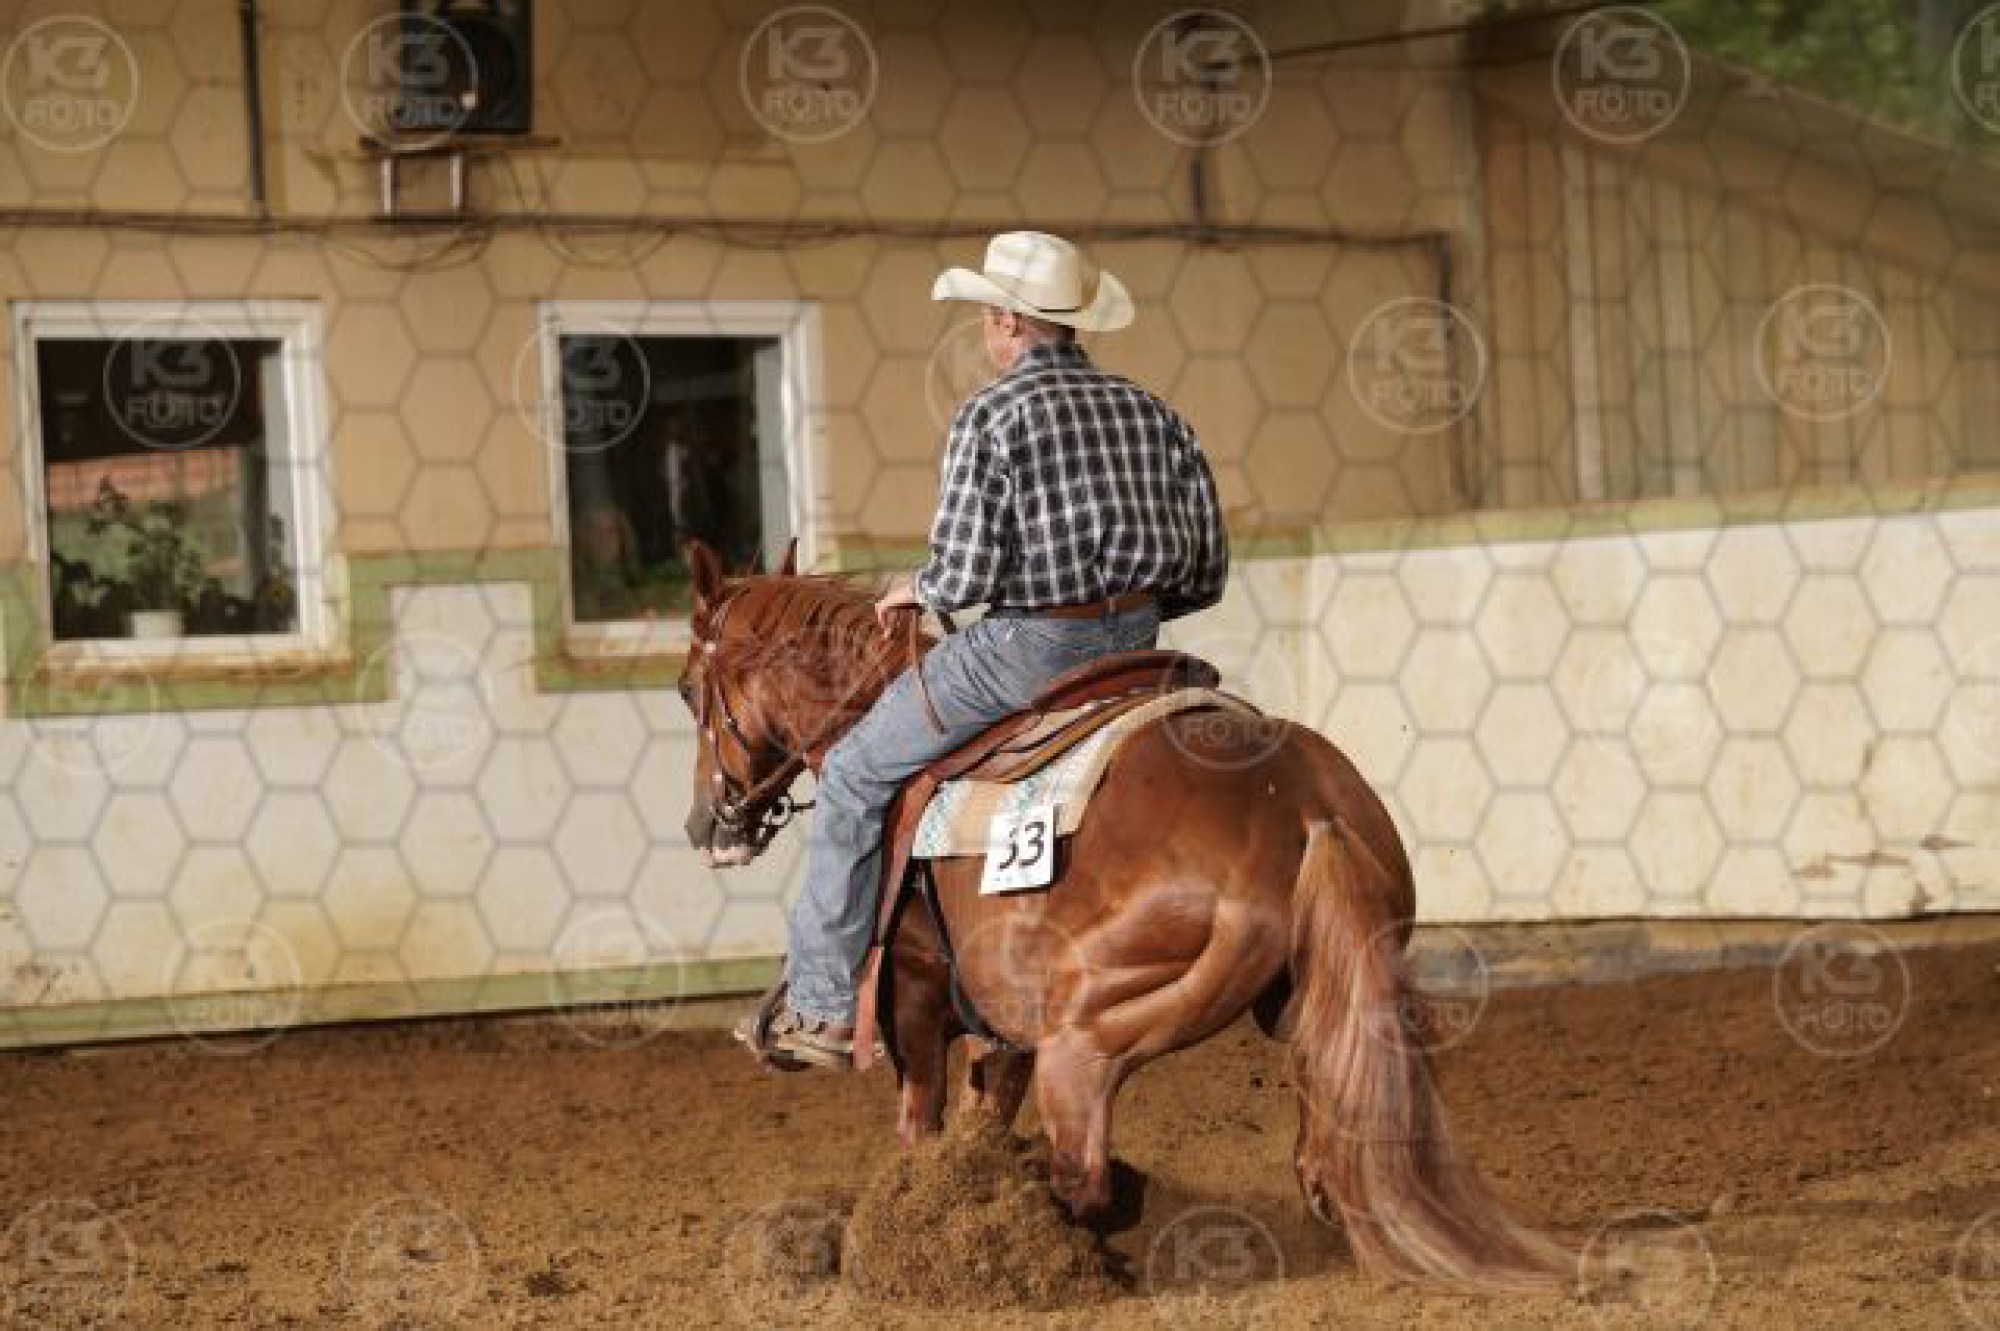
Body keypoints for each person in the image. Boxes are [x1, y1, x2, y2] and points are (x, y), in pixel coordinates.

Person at [750, 230, 1230, 1068]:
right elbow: (1206, 571)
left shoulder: (991, 414)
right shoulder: (1160, 416)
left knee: (855, 770)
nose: (984, 327)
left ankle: (820, 1005)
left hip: (1028, 649)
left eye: (985, 314)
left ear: (1008, 320)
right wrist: (1127, 613)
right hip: (1138, 645)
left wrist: (918, 587)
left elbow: (967, 574)